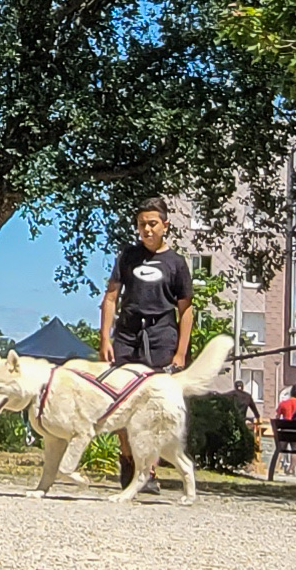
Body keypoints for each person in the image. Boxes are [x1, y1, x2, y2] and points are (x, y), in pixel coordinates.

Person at [98, 197, 195, 495]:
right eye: (142, 224)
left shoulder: (176, 264)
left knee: (153, 408)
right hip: (128, 336)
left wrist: (180, 351)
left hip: (161, 337)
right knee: (120, 403)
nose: (147, 229)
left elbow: (187, 310)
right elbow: (112, 297)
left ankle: (148, 470)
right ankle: (128, 460)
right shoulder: (128, 256)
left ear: (165, 226)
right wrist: (105, 336)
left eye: (152, 224)